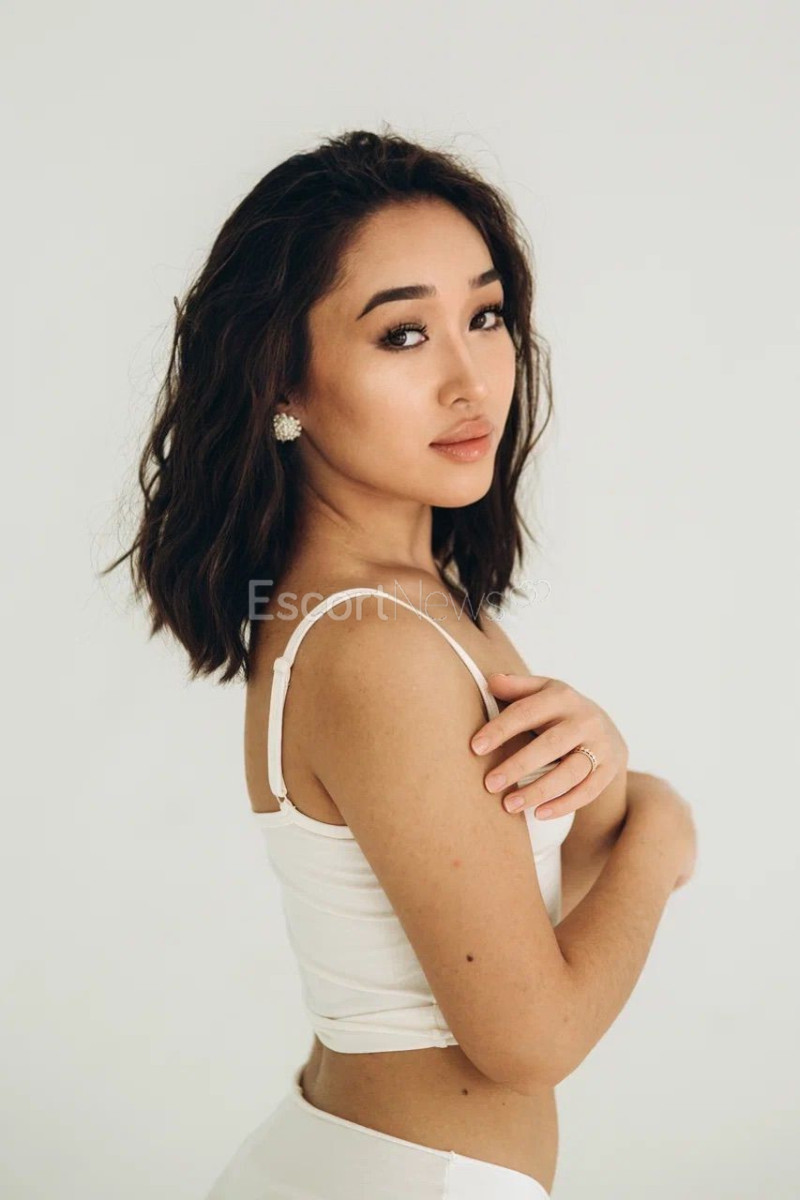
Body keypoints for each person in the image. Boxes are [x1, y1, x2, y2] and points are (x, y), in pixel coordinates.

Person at [102, 127, 697, 1198]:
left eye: (485, 316)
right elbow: (529, 1039)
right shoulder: (376, 645)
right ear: (283, 381)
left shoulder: (406, 610)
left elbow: (528, 894)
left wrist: (606, 774)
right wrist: (660, 826)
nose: (470, 380)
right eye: (402, 334)